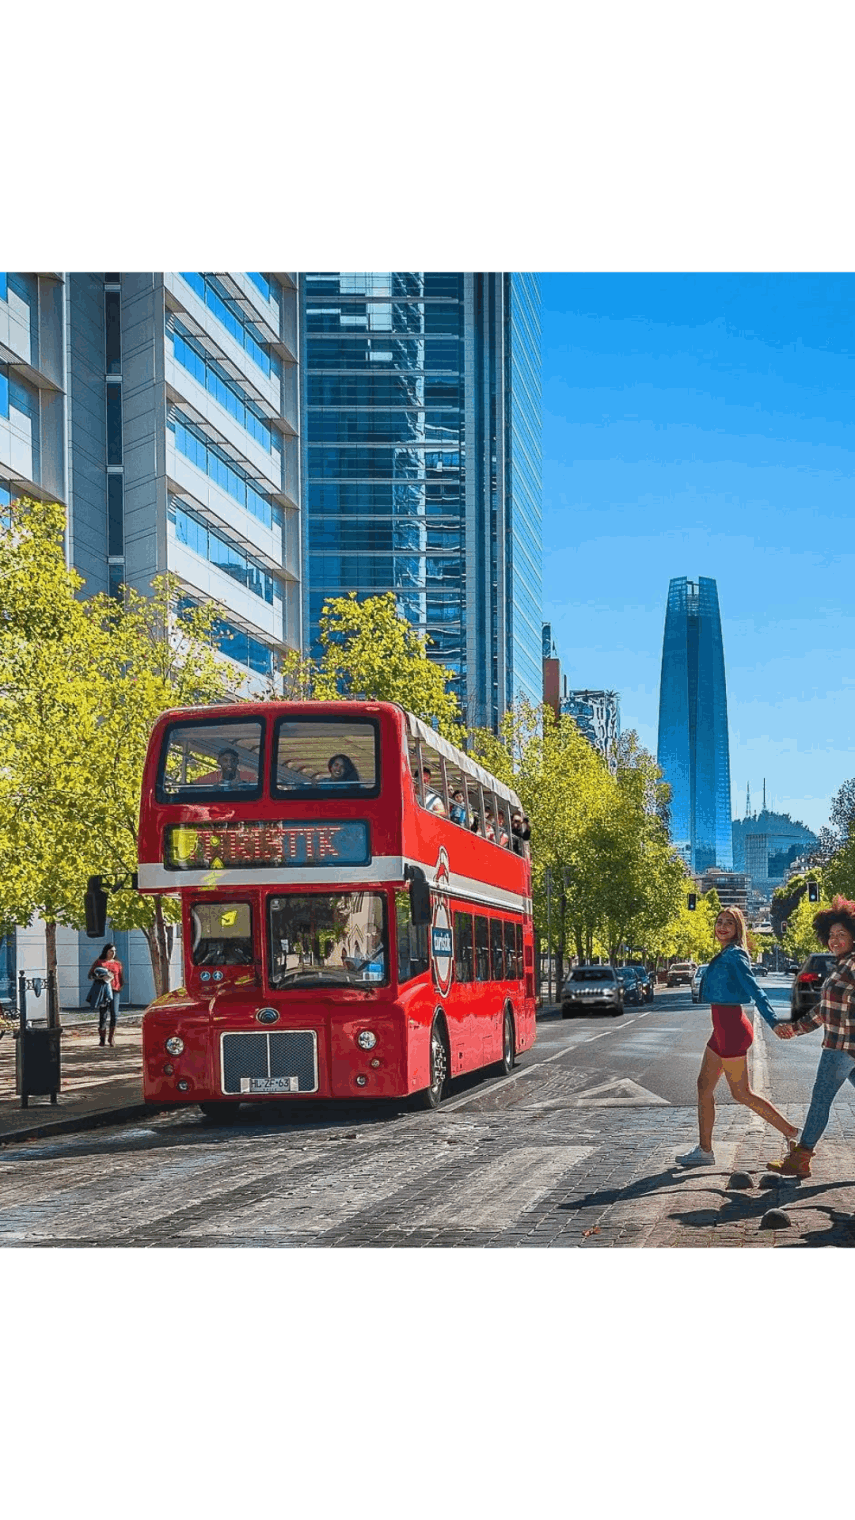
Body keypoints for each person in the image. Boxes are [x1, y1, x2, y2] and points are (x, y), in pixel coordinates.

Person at [675, 906, 798, 1167]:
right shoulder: (726, 953)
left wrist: (774, 1022)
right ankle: (705, 1150)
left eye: (728, 923)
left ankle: (791, 1133)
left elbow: (755, 990)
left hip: (731, 1030)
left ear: (737, 928)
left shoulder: (735, 955)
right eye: (719, 921)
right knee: (703, 1086)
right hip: (721, 1030)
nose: (722, 926)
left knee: (742, 1093)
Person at [768, 895, 855, 1177]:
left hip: (840, 1048)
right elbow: (823, 1010)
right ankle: (801, 1158)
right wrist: (794, 1029)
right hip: (846, 1048)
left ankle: (801, 1158)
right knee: (822, 1100)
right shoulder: (842, 966)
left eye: (842, 934)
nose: (835, 940)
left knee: (820, 1100)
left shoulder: (853, 966)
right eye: (831, 935)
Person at [87, 943, 124, 1047]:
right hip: (103, 991)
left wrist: (119, 986)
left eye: (114, 951)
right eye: (111, 951)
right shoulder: (99, 962)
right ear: (106, 951)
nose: (113, 953)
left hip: (115, 991)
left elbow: (120, 977)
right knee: (103, 1014)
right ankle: (102, 1038)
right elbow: (90, 975)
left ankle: (111, 1038)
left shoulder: (117, 964)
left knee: (114, 1014)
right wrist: (101, 978)